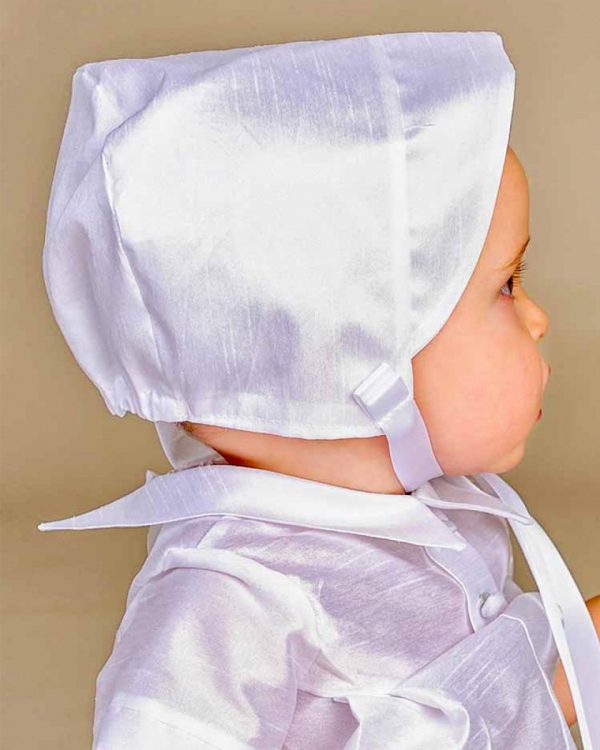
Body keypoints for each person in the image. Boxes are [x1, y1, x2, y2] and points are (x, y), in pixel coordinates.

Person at [37, 31, 600, 749]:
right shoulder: (231, 594)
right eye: (507, 286)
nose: (538, 319)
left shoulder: (445, 518)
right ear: (354, 351)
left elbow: (501, 695)